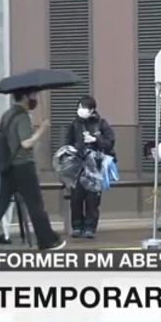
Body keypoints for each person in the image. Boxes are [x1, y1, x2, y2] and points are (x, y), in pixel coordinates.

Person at [0, 90, 65, 251]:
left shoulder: (7, 115)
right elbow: (25, 143)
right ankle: (47, 241)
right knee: (35, 205)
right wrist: (42, 130)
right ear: (24, 96)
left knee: (1, 203)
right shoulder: (22, 116)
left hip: (8, 167)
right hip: (23, 166)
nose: (34, 99)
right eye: (33, 95)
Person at [64, 96, 115, 239]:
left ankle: (90, 227)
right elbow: (67, 143)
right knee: (76, 198)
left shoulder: (101, 124)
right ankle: (77, 226)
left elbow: (109, 143)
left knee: (92, 198)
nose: (80, 110)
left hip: (95, 166)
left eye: (84, 107)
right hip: (78, 166)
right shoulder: (75, 124)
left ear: (92, 110)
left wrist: (95, 139)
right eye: (79, 107)